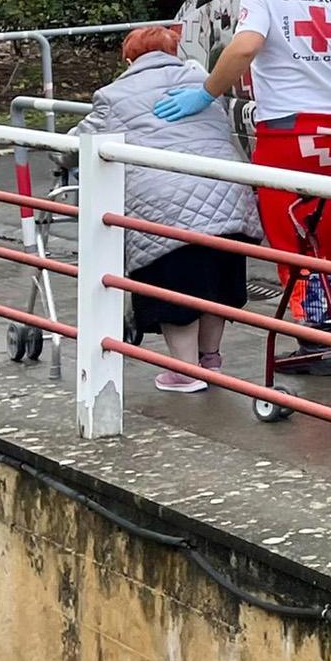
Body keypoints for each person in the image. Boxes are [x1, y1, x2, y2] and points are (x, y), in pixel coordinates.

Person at [155, 0, 331, 371]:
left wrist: (206, 91)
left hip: (290, 130)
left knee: (293, 236)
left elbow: (244, 48)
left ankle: (313, 340)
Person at [75, 27, 262, 392]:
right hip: (227, 193)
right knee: (216, 282)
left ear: (129, 60)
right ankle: (211, 361)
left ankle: (185, 372)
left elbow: (77, 143)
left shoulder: (112, 96)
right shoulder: (203, 82)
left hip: (164, 207)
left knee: (175, 288)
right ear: (174, 51)